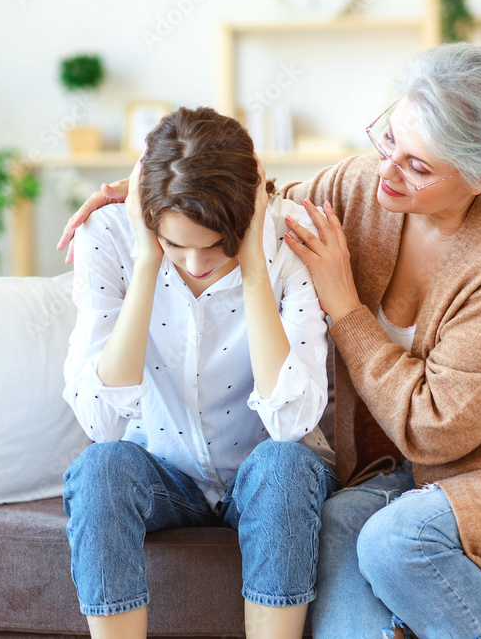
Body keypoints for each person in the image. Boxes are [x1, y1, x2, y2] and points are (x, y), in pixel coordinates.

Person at [58, 43, 481, 639]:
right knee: (341, 522)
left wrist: (345, 307)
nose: (387, 170)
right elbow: (254, 202)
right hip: (405, 477)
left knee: (398, 540)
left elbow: (435, 429)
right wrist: (143, 193)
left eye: (419, 166)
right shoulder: (365, 187)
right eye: (389, 139)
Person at [60, 106, 339, 639]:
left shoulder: (289, 240)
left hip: (266, 472)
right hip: (166, 473)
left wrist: (254, 268)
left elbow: (291, 423)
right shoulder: (110, 235)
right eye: (173, 244)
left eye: (215, 246)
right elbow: (101, 423)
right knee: (100, 467)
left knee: (284, 464)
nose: (193, 263)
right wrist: (147, 263)